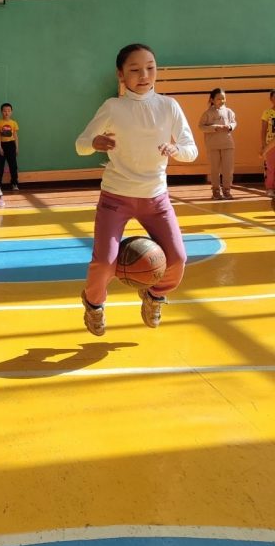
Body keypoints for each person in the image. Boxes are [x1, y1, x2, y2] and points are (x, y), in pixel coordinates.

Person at [75, 43, 198, 335]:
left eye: (150, 68)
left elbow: (191, 150)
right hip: (116, 198)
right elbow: (80, 144)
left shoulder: (169, 106)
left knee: (178, 259)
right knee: (105, 262)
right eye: (135, 69)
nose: (144, 75)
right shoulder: (113, 107)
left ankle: (155, 296)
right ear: (121, 75)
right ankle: (93, 304)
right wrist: (94, 143)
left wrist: (176, 149)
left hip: (156, 199)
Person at [198, 89, 236, 200]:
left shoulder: (229, 111)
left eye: (223, 98)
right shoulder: (207, 113)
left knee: (228, 169)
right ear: (212, 100)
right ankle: (215, 191)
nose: (221, 101)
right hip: (213, 145)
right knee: (215, 169)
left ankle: (227, 190)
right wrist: (214, 127)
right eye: (218, 99)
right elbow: (201, 126)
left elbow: (234, 122)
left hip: (227, 144)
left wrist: (230, 126)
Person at [0, 102, 20, 190]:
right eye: (5, 111)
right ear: (1, 112)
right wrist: (0, 147)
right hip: (2, 145)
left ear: (11, 112)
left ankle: (14, 183)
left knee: (13, 165)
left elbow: (15, 136)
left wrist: (17, 148)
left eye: (9, 111)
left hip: (11, 145)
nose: (7, 113)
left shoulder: (14, 123)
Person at [260, 89, 275, 208]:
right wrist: (263, 144)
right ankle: (270, 187)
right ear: (271, 99)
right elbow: (263, 129)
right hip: (270, 144)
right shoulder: (267, 113)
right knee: (270, 167)